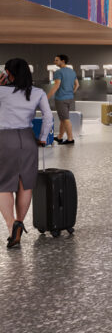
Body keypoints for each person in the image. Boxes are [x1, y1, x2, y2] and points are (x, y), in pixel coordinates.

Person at [0, 58, 52, 248]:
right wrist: (43, 138)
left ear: (8, 73)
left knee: (4, 184)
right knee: (25, 183)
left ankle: (11, 224)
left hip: (4, 139)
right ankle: (20, 222)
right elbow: (48, 117)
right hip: (28, 138)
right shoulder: (37, 92)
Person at [47, 54, 79, 145]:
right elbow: (77, 85)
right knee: (63, 118)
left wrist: (46, 98)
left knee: (65, 119)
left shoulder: (58, 72)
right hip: (70, 98)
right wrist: (71, 92)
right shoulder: (72, 71)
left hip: (61, 99)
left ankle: (70, 139)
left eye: (57, 60)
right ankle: (60, 137)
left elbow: (56, 86)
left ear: (63, 61)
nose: (55, 62)